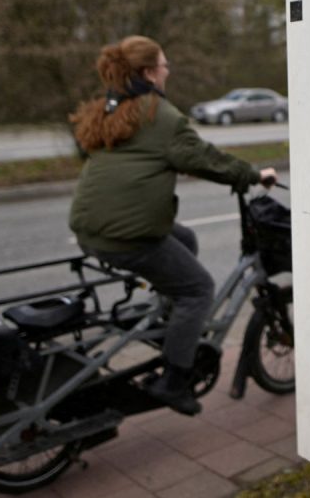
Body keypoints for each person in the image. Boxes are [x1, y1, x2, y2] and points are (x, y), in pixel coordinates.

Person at [68, 35, 276, 415]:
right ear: (149, 72)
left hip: (89, 228)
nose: (168, 70)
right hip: (126, 236)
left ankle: (168, 317)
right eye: (164, 65)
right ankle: (175, 380)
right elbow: (203, 158)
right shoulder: (156, 113)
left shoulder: (113, 107)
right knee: (199, 289)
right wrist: (252, 174)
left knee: (186, 237)